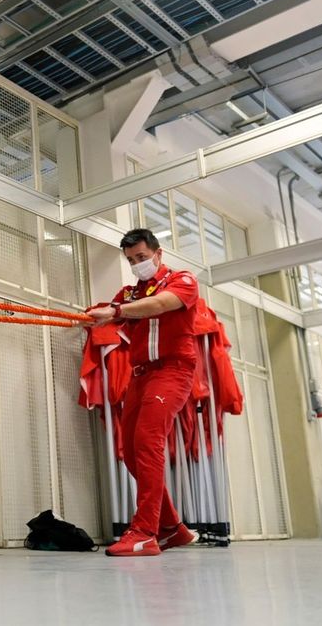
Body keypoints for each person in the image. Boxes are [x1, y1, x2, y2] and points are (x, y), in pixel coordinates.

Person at [83, 228, 200, 557]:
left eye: (142, 258)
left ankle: (145, 532)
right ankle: (173, 529)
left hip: (172, 371)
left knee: (148, 443)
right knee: (131, 453)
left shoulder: (183, 281)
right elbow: (107, 314)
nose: (137, 264)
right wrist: (89, 317)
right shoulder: (130, 294)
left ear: (158, 254)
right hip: (140, 376)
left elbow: (160, 305)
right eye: (131, 260)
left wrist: (116, 312)